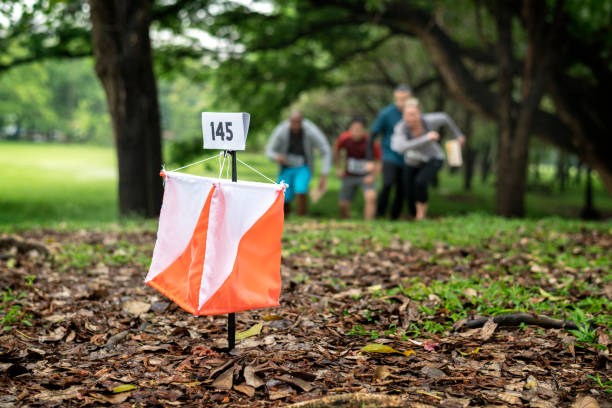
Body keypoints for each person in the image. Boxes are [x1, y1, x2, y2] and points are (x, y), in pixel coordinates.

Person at [391, 98, 465, 220]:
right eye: (407, 115)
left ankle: (421, 216)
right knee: (408, 190)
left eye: (413, 114)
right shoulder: (401, 128)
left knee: (420, 182)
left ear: (419, 113)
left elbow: (445, 117)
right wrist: (426, 138)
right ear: (403, 115)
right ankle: (414, 214)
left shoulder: (429, 121)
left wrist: (458, 135)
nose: (411, 118)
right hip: (411, 161)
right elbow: (401, 148)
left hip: (433, 158)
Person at [266, 111, 332, 216]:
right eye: (293, 122)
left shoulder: (311, 130)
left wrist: (324, 174)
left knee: (301, 189)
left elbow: (325, 149)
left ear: (302, 121)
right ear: (289, 121)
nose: (295, 125)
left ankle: (301, 216)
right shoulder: (281, 130)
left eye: (298, 122)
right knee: (283, 194)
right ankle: (284, 217)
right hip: (286, 167)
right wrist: (277, 157)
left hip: (303, 166)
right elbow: (269, 151)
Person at [367, 84, 412, 220]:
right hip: (389, 154)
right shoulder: (386, 113)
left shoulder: (414, 114)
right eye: (398, 99)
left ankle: (394, 217)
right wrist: (370, 159)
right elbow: (372, 135)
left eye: (405, 99)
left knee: (402, 188)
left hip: (408, 156)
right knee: (387, 183)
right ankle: (379, 214)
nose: (401, 102)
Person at [334, 116, 382, 220]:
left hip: (366, 175)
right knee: (343, 204)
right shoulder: (344, 139)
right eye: (353, 130)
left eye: (359, 130)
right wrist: (338, 168)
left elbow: (379, 161)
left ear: (364, 130)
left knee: (371, 197)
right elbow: (336, 151)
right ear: (349, 129)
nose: (356, 132)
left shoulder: (371, 142)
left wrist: (373, 176)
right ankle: (347, 222)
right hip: (349, 175)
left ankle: (368, 224)